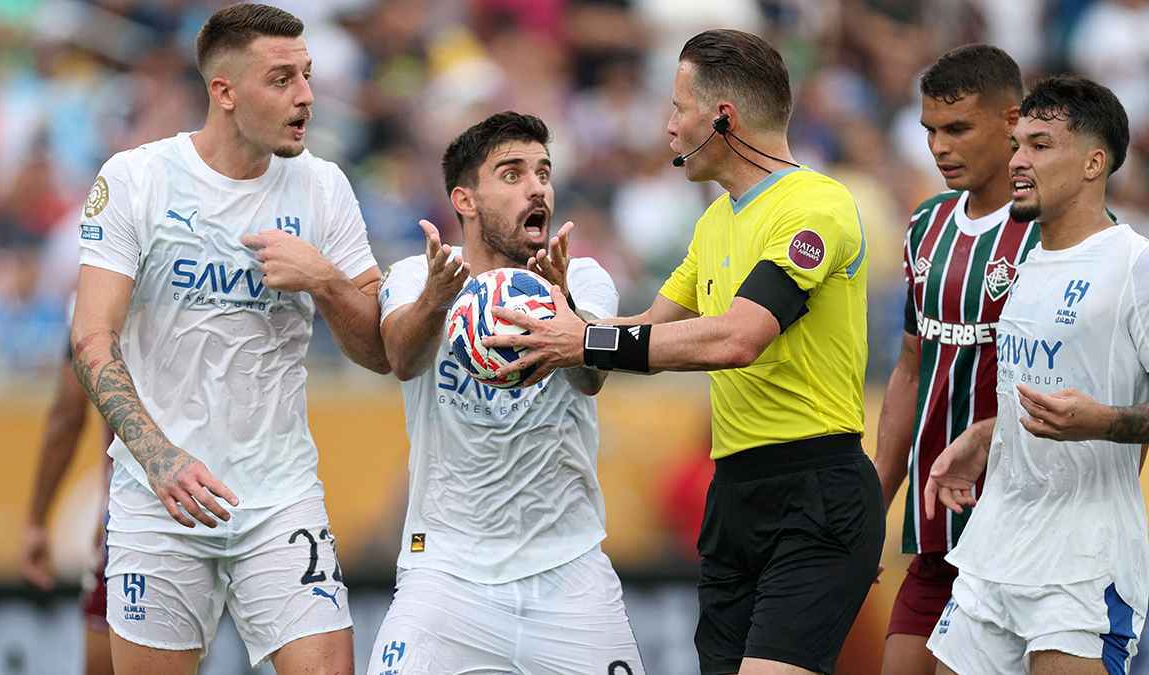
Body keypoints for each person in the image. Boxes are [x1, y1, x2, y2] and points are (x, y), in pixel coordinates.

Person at [483, 30, 883, 675]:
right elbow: (644, 329)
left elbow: (739, 336)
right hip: (733, 497)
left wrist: (585, 338)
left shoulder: (816, 206)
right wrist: (562, 318)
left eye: (677, 108)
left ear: (722, 118)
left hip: (815, 488)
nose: (668, 126)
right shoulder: (715, 220)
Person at [69, 4, 389, 674]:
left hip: (281, 496)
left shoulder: (323, 186)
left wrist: (326, 281)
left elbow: (380, 353)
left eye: (307, 75)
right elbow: (92, 337)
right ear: (225, 92)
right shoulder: (136, 179)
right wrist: (159, 457)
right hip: (161, 499)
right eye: (281, 79)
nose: (306, 95)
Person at [366, 111, 643, 675]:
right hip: (445, 575)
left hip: (569, 574)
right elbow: (401, 359)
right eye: (512, 174)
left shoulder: (583, 278)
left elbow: (590, 379)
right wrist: (436, 299)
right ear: (465, 200)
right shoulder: (419, 276)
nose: (537, 187)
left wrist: (565, 306)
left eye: (543, 172)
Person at [925, 75, 1146, 675]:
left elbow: (1098, 410)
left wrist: (1105, 422)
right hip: (994, 549)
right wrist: (984, 436)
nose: (1018, 161)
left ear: (1094, 163)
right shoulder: (1028, 264)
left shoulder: (1134, 265)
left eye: (1040, 145)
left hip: (1083, 565)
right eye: (1017, 144)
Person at [871, 45, 1036, 675]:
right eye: (930, 131)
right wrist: (876, 501)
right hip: (936, 535)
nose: (939, 147)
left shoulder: (1055, 230)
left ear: (1012, 120)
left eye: (958, 128)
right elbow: (910, 368)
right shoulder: (926, 224)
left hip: (1017, 536)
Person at [21, 331, 115, 675]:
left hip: (144, 510)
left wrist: (36, 520)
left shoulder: (98, 300)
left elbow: (69, 414)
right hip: (247, 498)